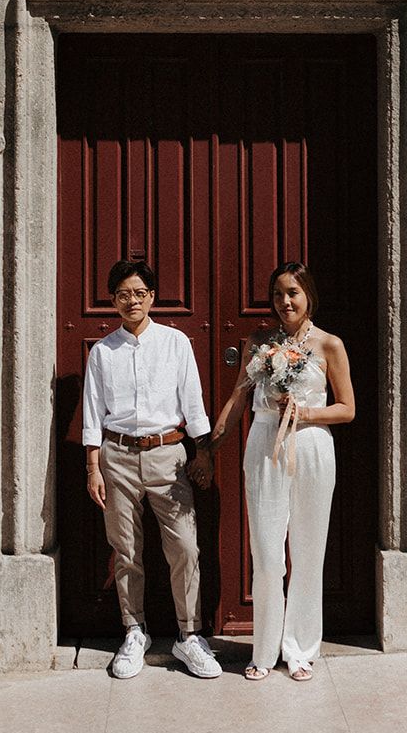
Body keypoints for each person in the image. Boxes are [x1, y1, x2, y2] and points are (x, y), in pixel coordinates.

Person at [210, 261, 355, 682]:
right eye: (277, 294)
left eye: (292, 292)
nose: (285, 301)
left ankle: (300, 649)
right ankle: (265, 648)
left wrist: (305, 412)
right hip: (265, 445)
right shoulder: (258, 342)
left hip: (310, 445)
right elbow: (239, 400)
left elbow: (347, 409)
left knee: (309, 550)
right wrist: (210, 448)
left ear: (308, 295)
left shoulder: (330, 345)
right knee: (268, 552)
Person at [82, 257, 222, 681]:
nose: (132, 301)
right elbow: (92, 412)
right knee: (126, 550)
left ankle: (189, 634)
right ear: (113, 300)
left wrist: (204, 452)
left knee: (185, 547)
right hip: (118, 457)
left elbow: (192, 401)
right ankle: (134, 631)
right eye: (123, 294)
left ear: (152, 297)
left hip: (168, 454)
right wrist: (93, 467)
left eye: (139, 293)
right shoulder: (103, 352)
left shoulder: (175, 343)